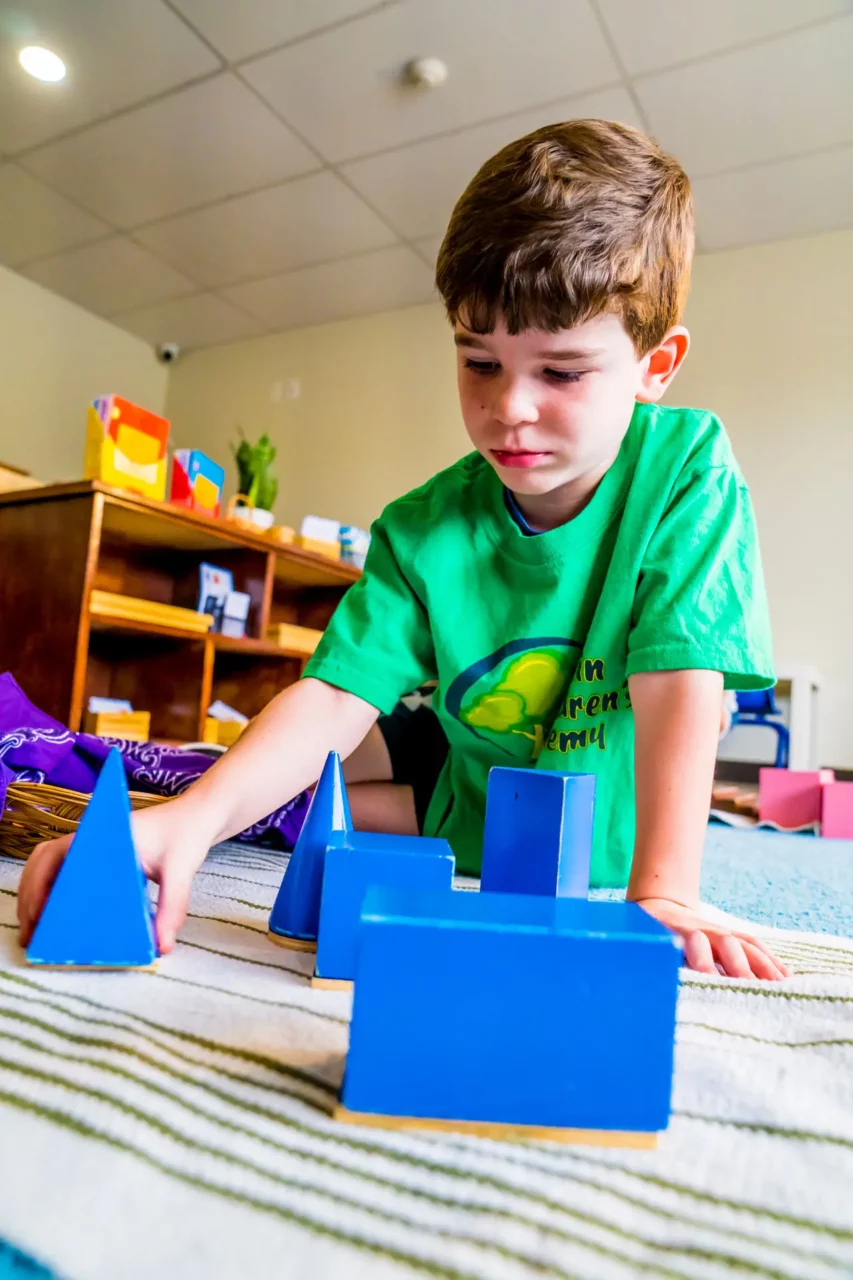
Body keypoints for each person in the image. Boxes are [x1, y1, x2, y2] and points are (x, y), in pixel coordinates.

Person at [18, 119, 789, 980]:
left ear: (656, 366)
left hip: (624, 861)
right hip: (469, 845)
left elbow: (678, 676)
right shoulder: (422, 526)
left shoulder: (687, 468)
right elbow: (335, 696)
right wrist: (186, 823)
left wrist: (666, 890)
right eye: (479, 362)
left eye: (561, 372)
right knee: (308, 791)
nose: (511, 408)